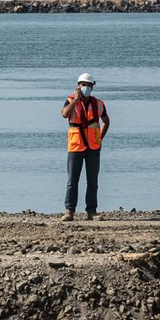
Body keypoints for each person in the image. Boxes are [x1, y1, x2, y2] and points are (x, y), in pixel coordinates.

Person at [60, 72, 109, 221]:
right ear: (78, 86)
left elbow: (106, 121)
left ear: (93, 86)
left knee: (93, 181)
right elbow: (64, 114)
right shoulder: (70, 100)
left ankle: (92, 211)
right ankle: (69, 211)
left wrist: (100, 137)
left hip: (93, 147)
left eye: (89, 85)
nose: (86, 87)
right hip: (75, 146)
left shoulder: (99, 104)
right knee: (72, 180)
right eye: (83, 85)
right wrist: (76, 99)